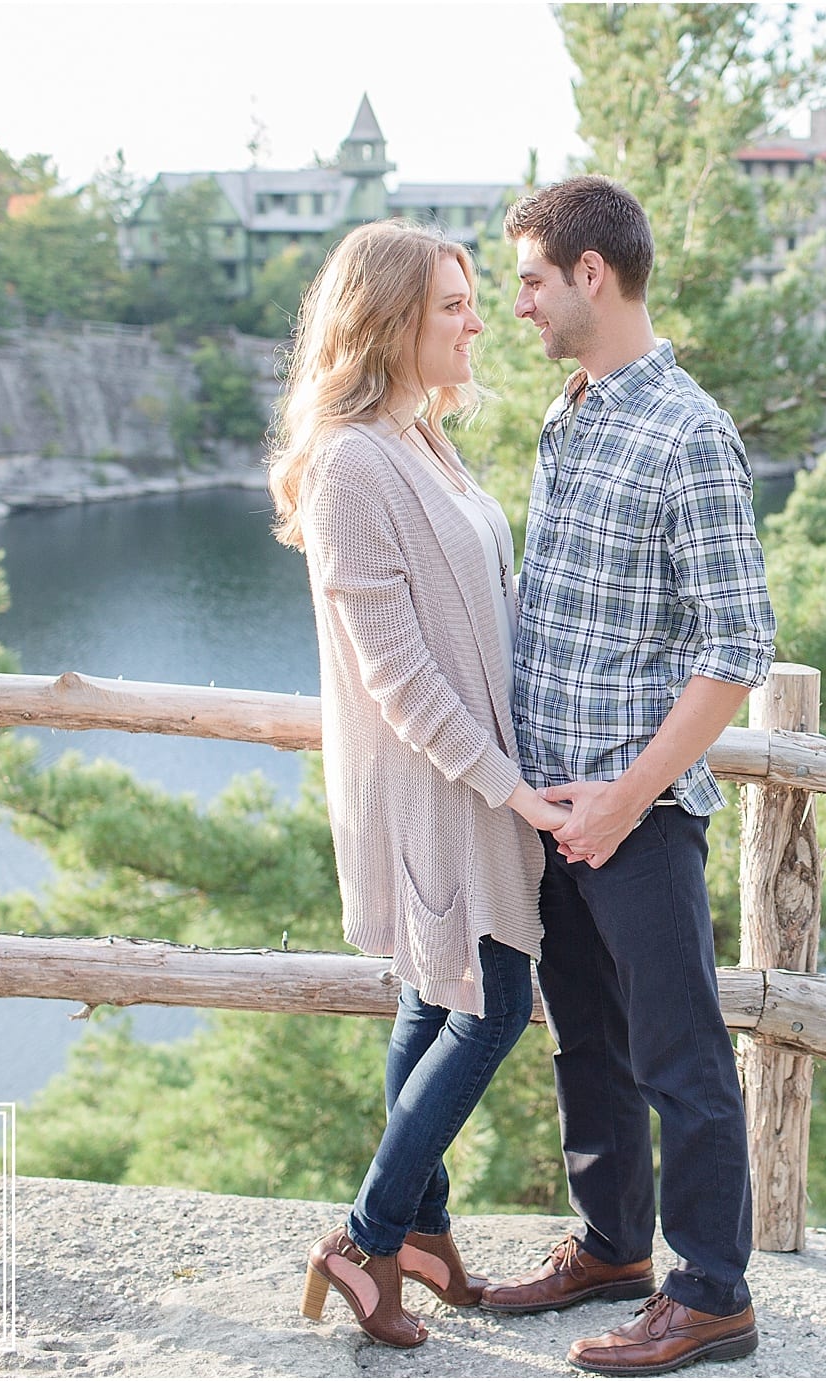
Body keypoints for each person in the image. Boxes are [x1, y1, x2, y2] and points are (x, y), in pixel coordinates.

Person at [476, 176, 777, 1377]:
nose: (518, 307)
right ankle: (612, 1248)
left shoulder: (690, 433)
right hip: (552, 804)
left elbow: (735, 649)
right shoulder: (571, 410)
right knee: (583, 1041)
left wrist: (628, 793)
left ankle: (712, 1293)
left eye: (532, 283)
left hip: (634, 815)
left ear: (591, 275)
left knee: (679, 1056)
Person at [268, 220, 572, 1349]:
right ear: (391, 319)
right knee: (491, 1005)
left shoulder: (420, 437)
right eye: (453, 304)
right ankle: (365, 1234)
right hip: (437, 788)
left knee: (432, 997)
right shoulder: (351, 460)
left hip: (469, 780)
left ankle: (425, 1236)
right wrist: (509, 785)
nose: (478, 322)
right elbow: (393, 668)